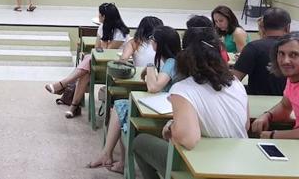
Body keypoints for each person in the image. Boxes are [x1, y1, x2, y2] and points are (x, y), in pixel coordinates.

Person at [132, 31, 249, 179]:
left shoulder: (182, 89)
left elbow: (189, 140)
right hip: (239, 163)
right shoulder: (236, 83)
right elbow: (245, 126)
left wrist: (171, 127)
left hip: (203, 166)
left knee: (140, 142)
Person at [87, 25, 181, 174]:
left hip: (165, 111)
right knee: (121, 105)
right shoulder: (174, 59)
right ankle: (111, 156)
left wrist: (150, 67)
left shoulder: (171, 62)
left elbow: (154, 87)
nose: (151, 42)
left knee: (121, 107)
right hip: (165, 107)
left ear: (160, 44)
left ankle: (113, 157)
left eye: (153, 40)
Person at [44, 2, 130, 118]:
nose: (98, 17)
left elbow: (107, 53)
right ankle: (73, 107)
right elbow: (97, 49)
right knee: (85, 71)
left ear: (105, 17)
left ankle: (63, 84)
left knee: (88, 60)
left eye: (100, 15)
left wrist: (104, 37)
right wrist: (102, 34)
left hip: (114, 69)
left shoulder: (120, 33)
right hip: (100, 66)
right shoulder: (101, 27)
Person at [251, 32, 299, 139]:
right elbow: (285, 106)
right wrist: (267, 115)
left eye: (294, 55)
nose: (285, 61)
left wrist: (273, 135)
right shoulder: (292, 79)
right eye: (281, 54)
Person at [232, 7, 290, 95]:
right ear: (287, 28)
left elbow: (235, 80)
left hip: (255, 102)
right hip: (290, 104)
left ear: (263, 27)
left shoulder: (252, 48)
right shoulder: (295, 47)